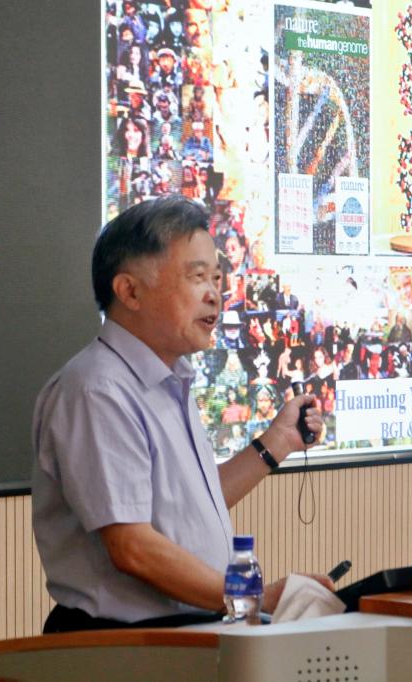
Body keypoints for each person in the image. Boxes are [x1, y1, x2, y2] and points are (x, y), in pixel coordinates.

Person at [32, 195, 332, 633]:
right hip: (122, 645)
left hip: (182, 632)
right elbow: (133, 547)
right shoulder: (98, 390)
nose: (215, 294)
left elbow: (186, 507)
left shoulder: (170, 379)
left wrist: (277, 443)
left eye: (217, 277)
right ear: (130, 291)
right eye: (197, 277)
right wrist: (252, 597)